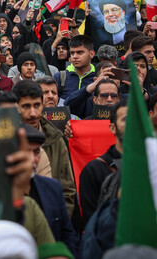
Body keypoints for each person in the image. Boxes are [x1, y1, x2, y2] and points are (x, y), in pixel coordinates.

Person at [12, 80, 76, 216]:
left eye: (37, 105)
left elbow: (67, 188)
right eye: (26, 106)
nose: (33, 113)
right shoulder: (6, 140)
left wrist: (57, 222)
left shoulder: (56, 139)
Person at [24, 125, 79, 255]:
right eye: (27, 151)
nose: (33, 159)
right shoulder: (1, 192)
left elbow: (68, 235)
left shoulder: (53, 188)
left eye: (36, 152)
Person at [79, 99, 126, 226]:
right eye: (126, 120)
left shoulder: (151, 165)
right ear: (112, 128)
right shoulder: (94, 170)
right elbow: (92, 224)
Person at [54, 35, 96, 101]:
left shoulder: (97, 77)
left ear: (92, 54)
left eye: (79, 52)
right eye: (72, 53)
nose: (75, 56)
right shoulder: (60, 77)